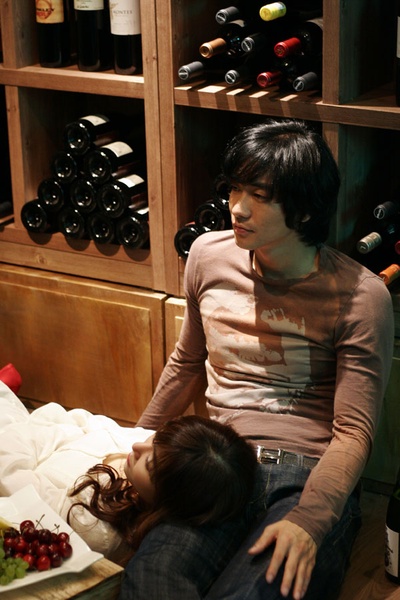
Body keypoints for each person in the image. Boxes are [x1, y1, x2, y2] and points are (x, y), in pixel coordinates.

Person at [121, 119, 395, 600]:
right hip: (217, 462)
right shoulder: (206, 256)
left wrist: (310, 521)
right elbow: (187, 361)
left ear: (305, 209)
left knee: (255, 592)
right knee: (151, 580)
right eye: (234, 188)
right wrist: (136, 439)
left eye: (260, 196)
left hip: (308, 474)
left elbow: (354, 431)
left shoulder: (361, 297)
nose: (237, 207)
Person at [0, 381, 257, 565]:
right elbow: (81, 419)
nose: (137, 446)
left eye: (150, 464)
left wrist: (36, 433)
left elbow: (10, 478)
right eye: (156, 437)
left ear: (167, 500)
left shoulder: (96, 525)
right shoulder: (162, 452)